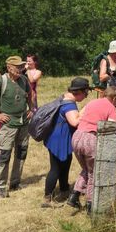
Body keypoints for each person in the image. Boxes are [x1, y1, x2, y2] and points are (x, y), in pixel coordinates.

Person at [0, 56, 34, 198]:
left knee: (21, 154)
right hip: (8, 125)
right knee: (5, 155)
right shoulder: (0, 81)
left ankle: (15, 183)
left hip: (23, 124)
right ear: (9, 67)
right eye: (17, 67)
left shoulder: (23, 80)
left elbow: (30, 94)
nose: (21, 70)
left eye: (22, 67)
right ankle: (1, 187)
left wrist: (31, 109)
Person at [67, 86, 116, 213]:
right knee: (93, 172)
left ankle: (74, 195)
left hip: (77, 136)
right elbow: (110, 128)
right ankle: (91, 203)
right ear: (114, 98)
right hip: (90, 139)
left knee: (86, 169)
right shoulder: (111, 108)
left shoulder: (92, 102)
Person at [42, 77, 90, 208]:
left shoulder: (65, 98)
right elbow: (74, 122)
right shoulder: (69, 104)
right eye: (86, 93)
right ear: (79, 91)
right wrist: (86, 109)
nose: (86, 96)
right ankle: (47, 199)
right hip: (59, 139)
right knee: (56, 169)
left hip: (61, 137)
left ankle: (64, 190)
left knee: (65, 164)